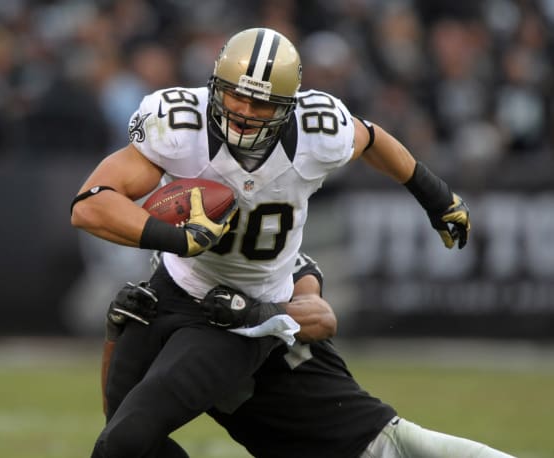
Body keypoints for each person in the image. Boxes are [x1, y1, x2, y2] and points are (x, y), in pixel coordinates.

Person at [70, 27, 475, 457]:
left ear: (287, 106)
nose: (244, 112)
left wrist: (435, 196)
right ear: (215, 86)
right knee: (120, 442)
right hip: (173, 287)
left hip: (242, 313)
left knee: (125, 441)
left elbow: (372, 138)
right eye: (235, 96)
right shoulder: (181, 123)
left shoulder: (317, 133)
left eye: (261, 103)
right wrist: (177, 239)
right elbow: (89, 204)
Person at [102, 253, 514, 458]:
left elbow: (321, 318)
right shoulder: (170, 320)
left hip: (371, 443)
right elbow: (120, 419)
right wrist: (117, 336)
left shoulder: (268, 268)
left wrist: (256, 313)